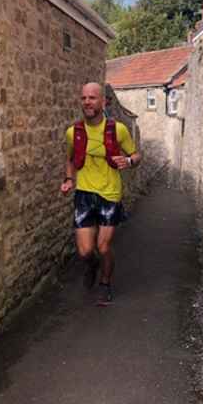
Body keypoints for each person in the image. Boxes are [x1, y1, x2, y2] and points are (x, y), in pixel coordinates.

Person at [60, 82, 141, 305]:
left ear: (103, 101)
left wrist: (128, 161)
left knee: (103, 246)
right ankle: (92, 265)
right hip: (84, 195)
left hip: (109, 195)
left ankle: (105, 284)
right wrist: (68, 179)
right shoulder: (73, 132)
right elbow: (69, 159)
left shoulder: (118, 130)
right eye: (84, 98)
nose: (87, 102)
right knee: (86, 251)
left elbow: (136, 155)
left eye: (92, 98)